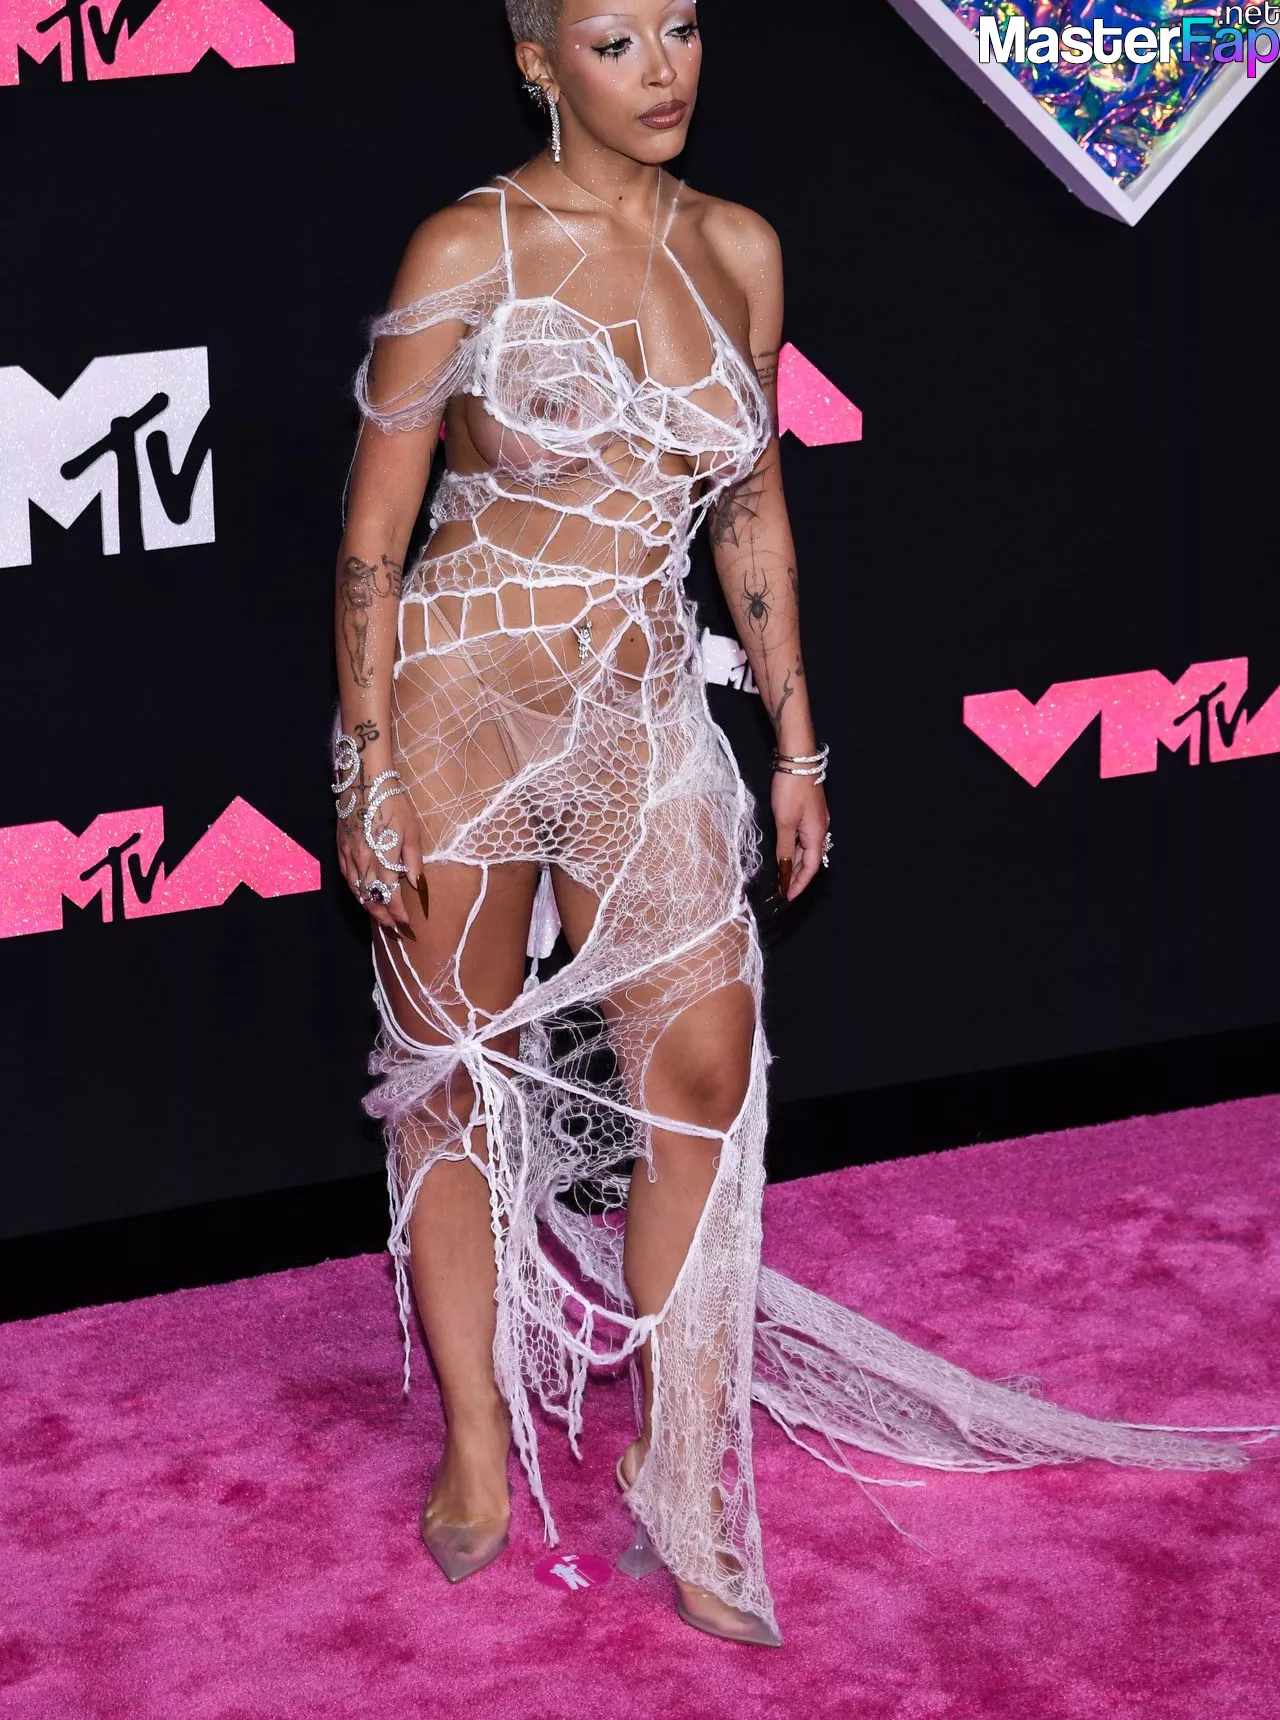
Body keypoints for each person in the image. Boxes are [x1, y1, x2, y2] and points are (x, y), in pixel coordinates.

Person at [332, 0, 1270, 1650]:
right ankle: (477, 1433)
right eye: (616, 42)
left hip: (642, 705)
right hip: (463, 705)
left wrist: (795, 743)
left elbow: (752, 510)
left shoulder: (740, 249)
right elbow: (372, 535)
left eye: (683, 29)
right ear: (539, 60)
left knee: (700, 1074)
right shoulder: (467, 245)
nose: (665, 70)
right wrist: (368, 768)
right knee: (461, 1074)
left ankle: (679, 1464)